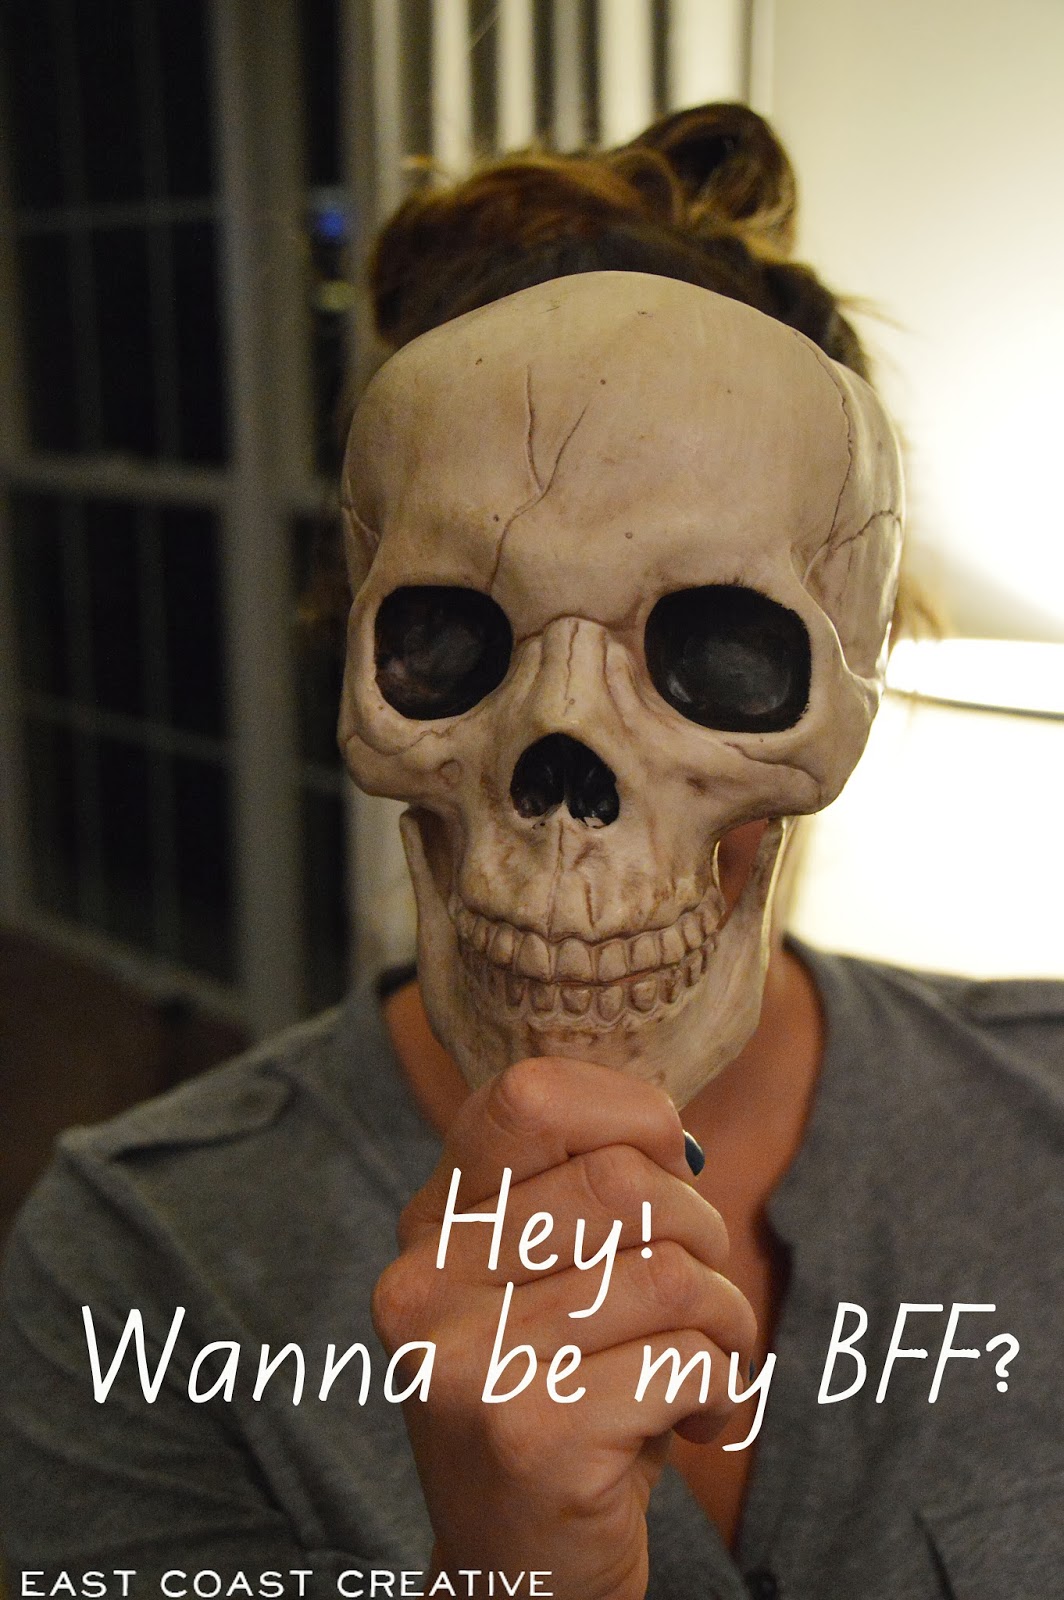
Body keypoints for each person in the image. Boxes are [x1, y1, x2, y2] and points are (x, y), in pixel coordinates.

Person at [2, 104, 1062, 1600]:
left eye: (713, 649)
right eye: (458, 642)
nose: (569, 774)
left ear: (857, 665)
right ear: (365, 656)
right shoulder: (134, 1270)